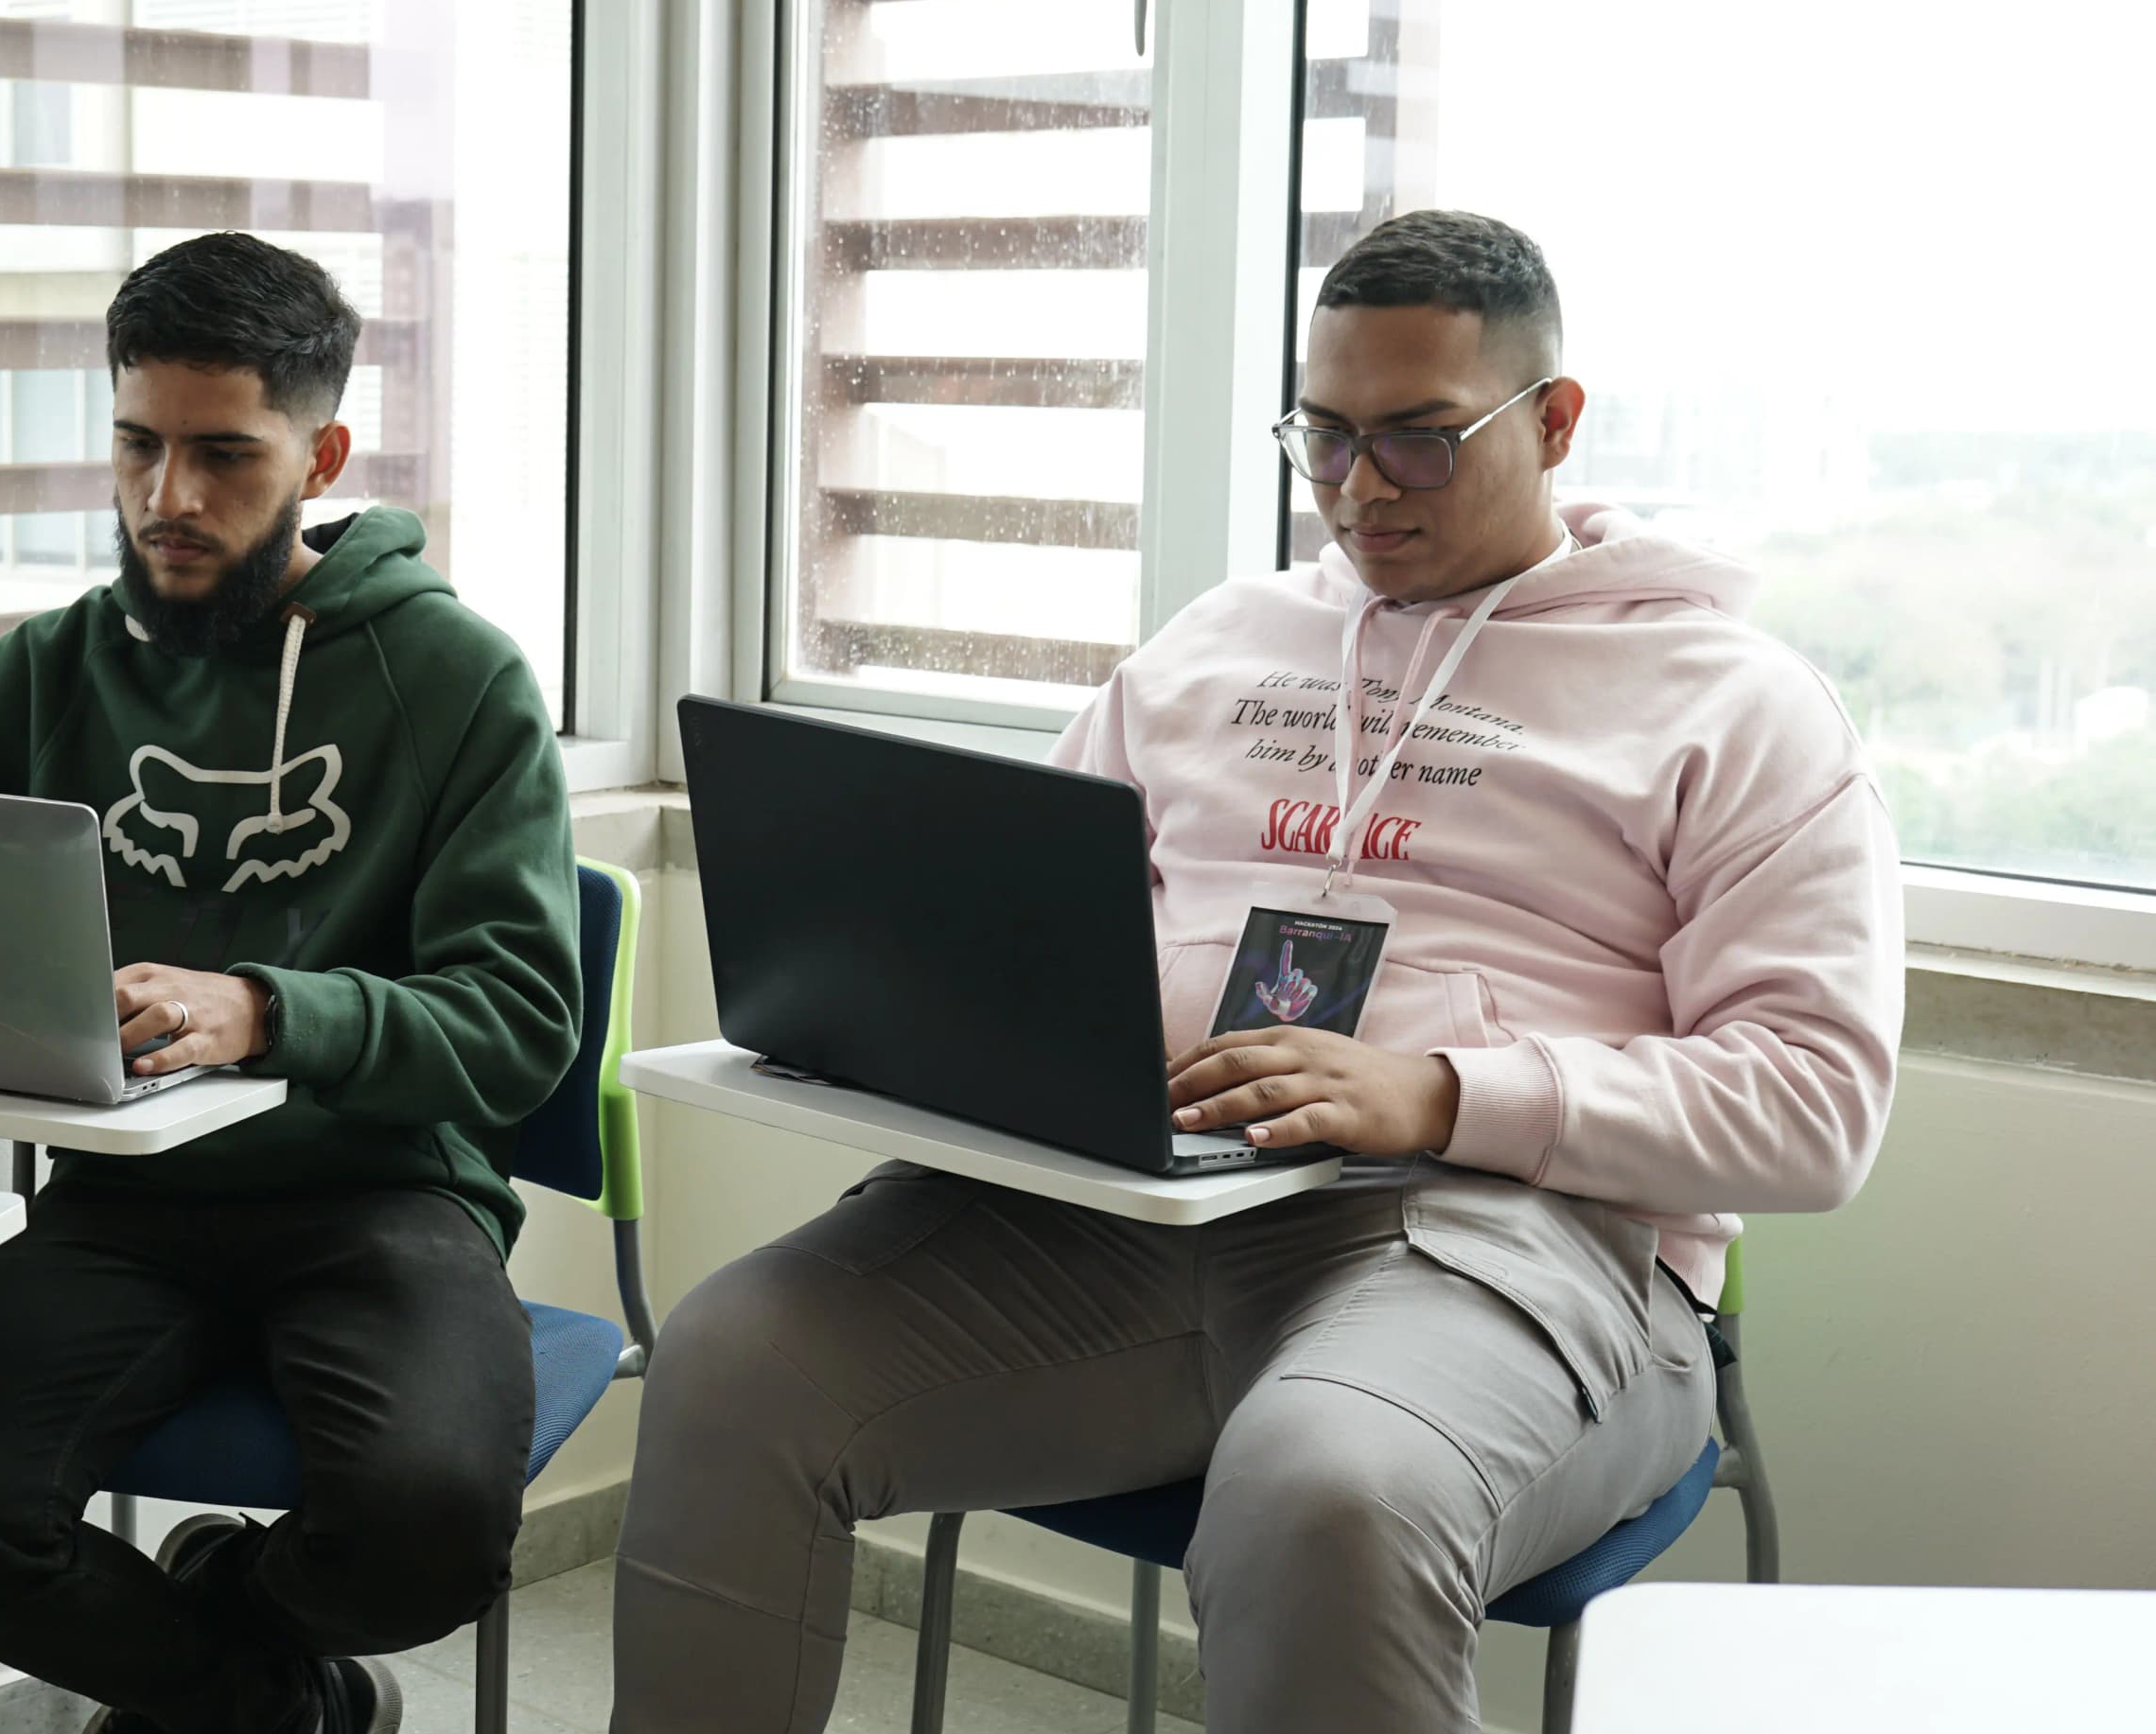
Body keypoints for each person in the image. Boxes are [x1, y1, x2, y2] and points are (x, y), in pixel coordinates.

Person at [610, 210, 1904, 1731]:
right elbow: (1033, 918)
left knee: (1327, 1488)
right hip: (1142, 1206)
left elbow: (1816, 1103)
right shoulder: (1223, 642)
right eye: (1326, 437)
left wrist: (1438, 1092)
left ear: (1554, 422)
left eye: (1420, 441)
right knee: (737, 1358)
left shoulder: (1735, 702)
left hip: (1510, 1240)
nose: (1360, 491)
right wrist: (919, 1033)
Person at [0, 233, 582, 1734]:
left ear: (322, 453)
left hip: (384, 1192)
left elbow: (520, 1023)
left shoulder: (457, 681)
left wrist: (270, 1009)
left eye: (222, 455)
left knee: (429, 1526)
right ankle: (265, 1706)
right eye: (138, 444)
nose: (167, 498)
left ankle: (225, 1625)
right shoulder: (50, 674)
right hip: (124, 1206)